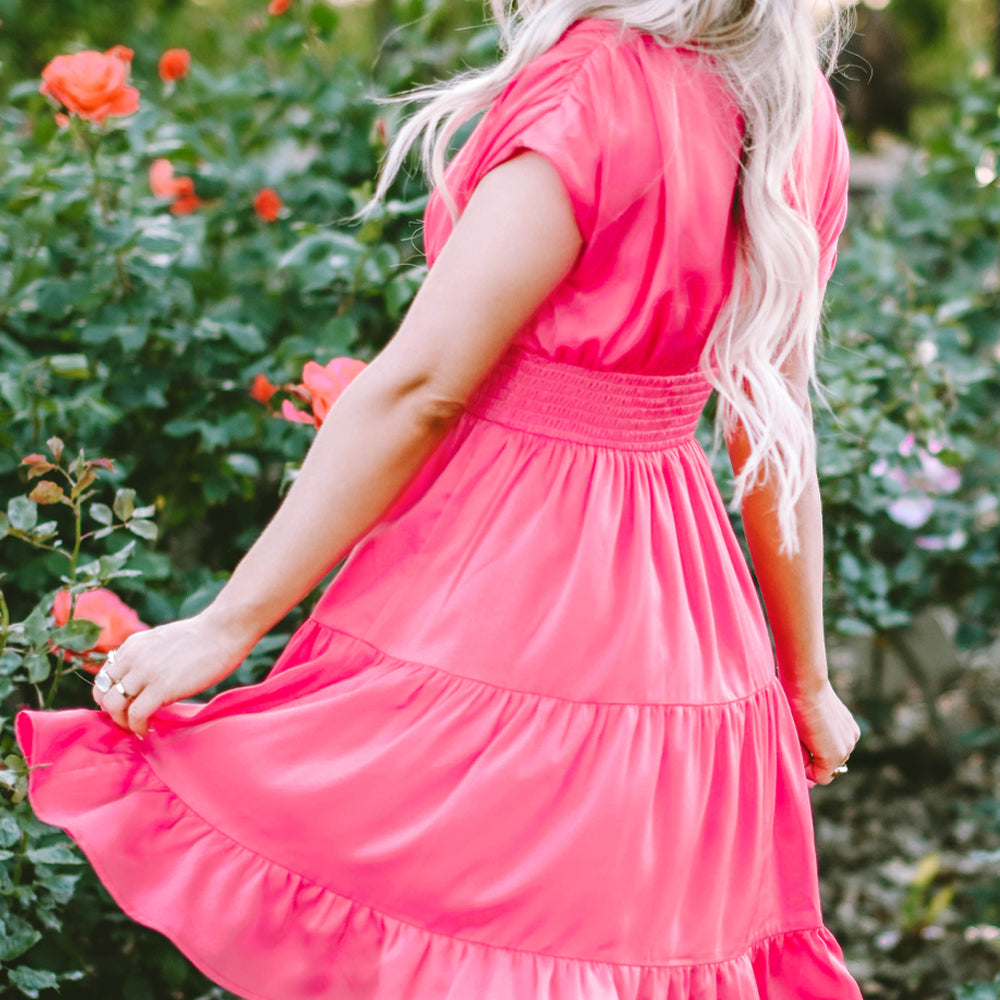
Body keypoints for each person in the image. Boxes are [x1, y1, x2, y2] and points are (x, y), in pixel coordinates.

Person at [16, 0, 864, 996]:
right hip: (683, 631)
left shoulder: (594, 87)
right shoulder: (793, 105)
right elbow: (773, 426)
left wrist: (227, 624)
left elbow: (424, 386)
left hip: (509, 588)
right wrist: (802, 683)